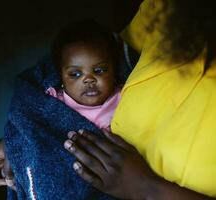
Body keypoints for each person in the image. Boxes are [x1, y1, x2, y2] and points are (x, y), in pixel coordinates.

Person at [63, 0, 216, 199]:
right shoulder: (173, 9)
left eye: (99, 71)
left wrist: (146, 188)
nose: (89, 79)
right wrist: (17, 138)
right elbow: (89, 56)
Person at [1, 19, 133, 200]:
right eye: (75, 74)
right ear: (61, 77)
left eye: (100, 70)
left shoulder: (124, 98)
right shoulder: (53, 100)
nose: (89, 79)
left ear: (114, 71)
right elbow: (30, 125)